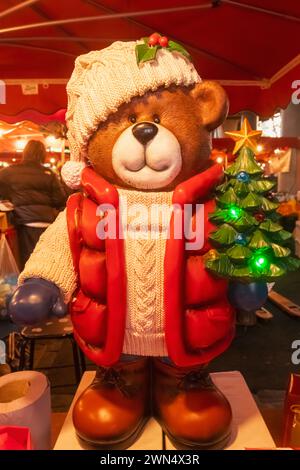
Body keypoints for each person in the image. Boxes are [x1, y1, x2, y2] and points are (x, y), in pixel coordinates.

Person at [0, 140, 66, 269]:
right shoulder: (49, 174)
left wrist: (8, 202)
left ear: (25, 152)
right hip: (47, 224)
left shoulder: (9, 172)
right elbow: (60, 199)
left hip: (24, 224)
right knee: (45, 262)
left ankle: (27, 288)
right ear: (43, 154)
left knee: (27, 262)